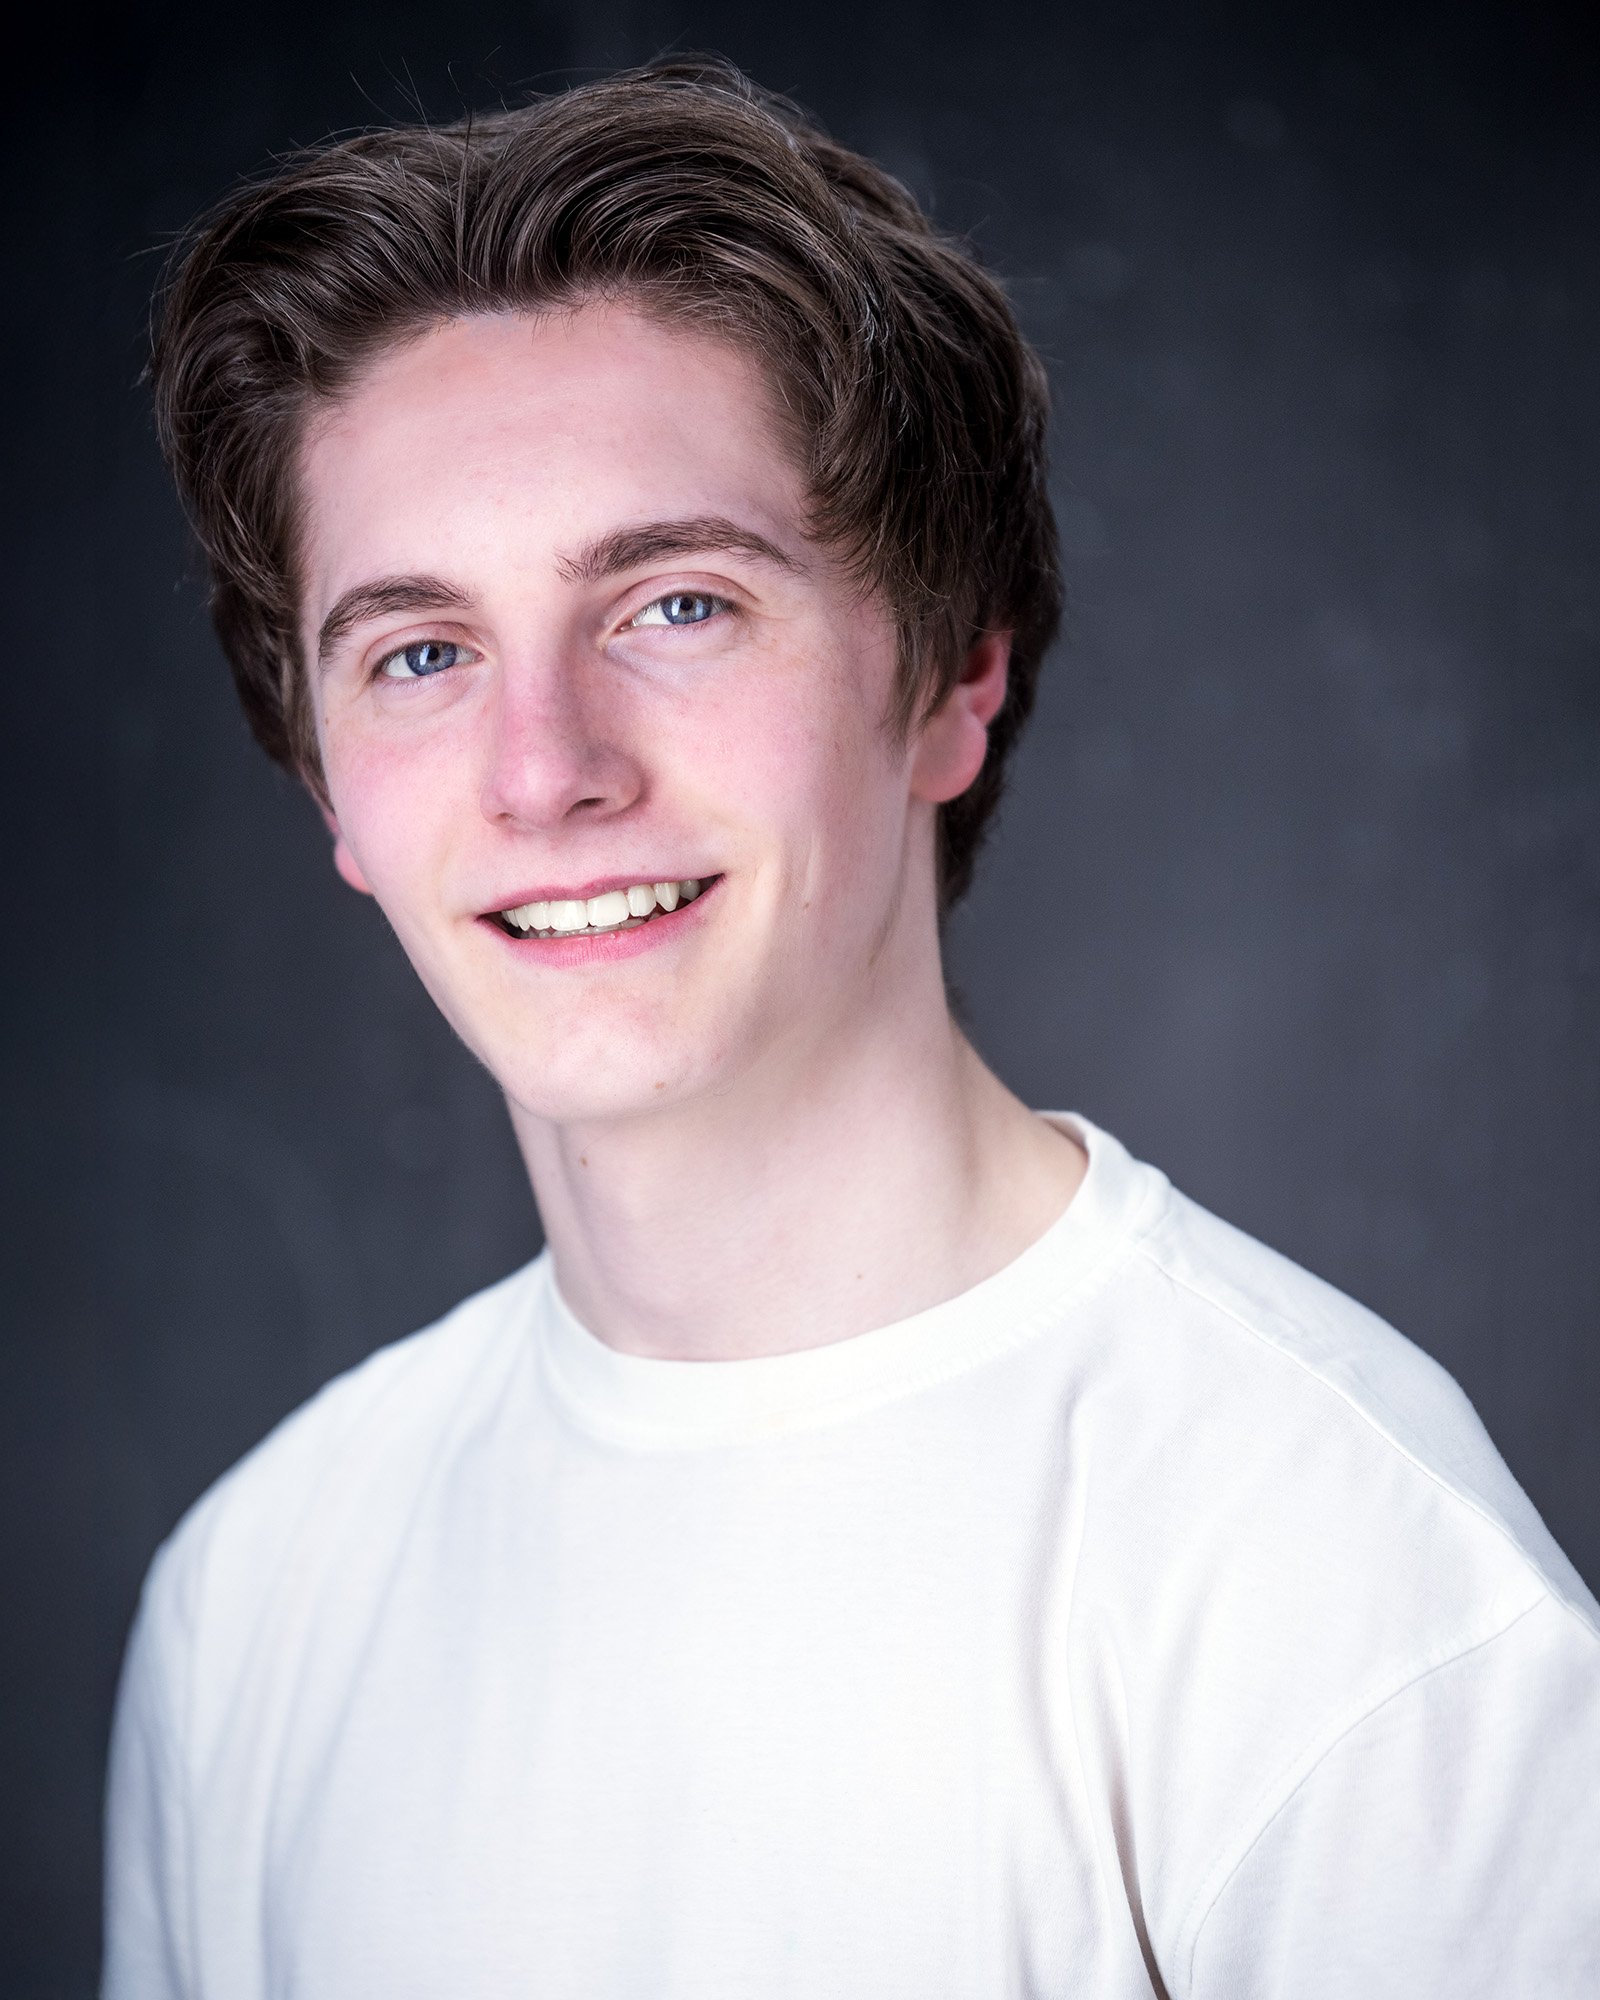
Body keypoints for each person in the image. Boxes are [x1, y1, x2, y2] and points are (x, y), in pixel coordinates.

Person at [104, 56, 1599, 2000]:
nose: (541, 768)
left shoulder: (1341, 1594)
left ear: (950, 678)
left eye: (677, 606)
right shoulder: (259, 1595)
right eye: (419, 653)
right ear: (330, 790)